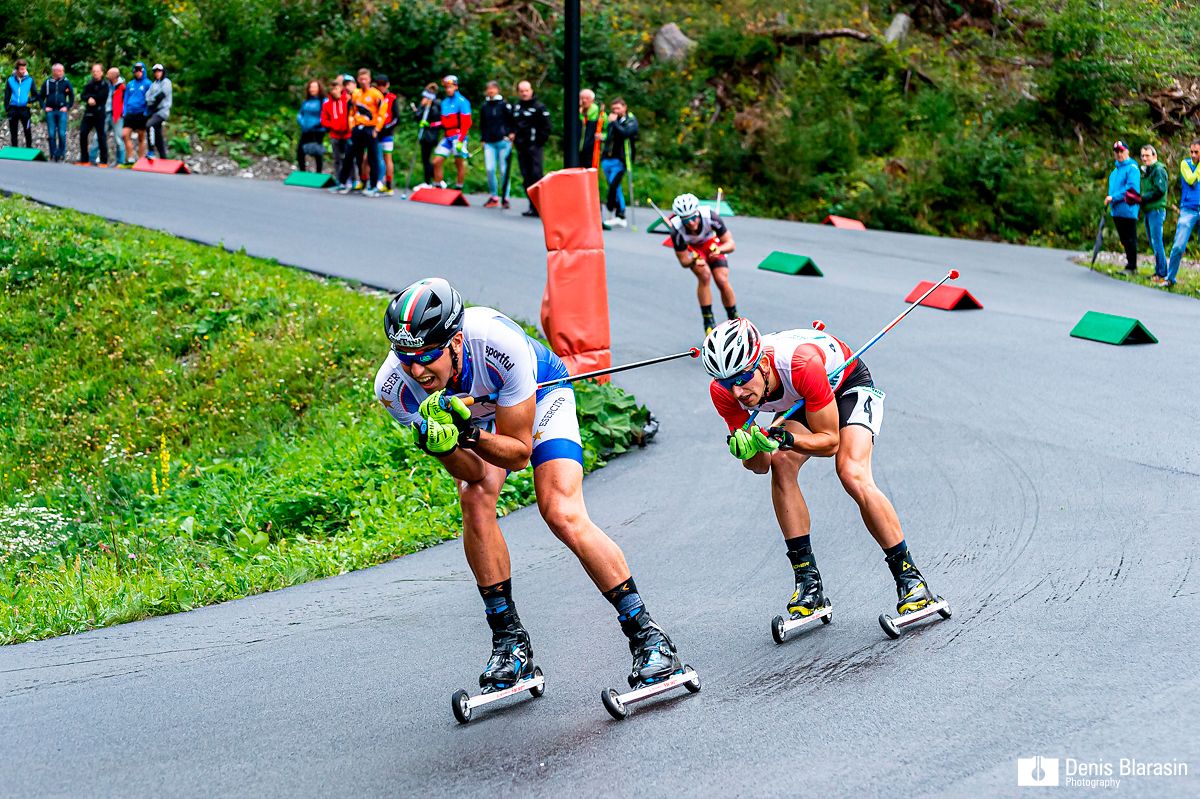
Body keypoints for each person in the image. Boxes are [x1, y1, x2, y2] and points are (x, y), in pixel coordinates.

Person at [375, 278, 688, 694]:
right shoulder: (394, 388)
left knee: (561, 510)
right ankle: (510, 645)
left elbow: (519, 454)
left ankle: (647, 636)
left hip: (539, 397)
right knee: (473, 497)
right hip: (478, 420)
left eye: (428, 356)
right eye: (405, 357)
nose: (416, 370)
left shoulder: (498, 343)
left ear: (456, 340)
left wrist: (467, 434)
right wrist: (439, 444)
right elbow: (471, 472)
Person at [702, 318, 941, 624]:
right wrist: (749, 452)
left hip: (844, 385)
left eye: (743, 376)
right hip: (802, 398)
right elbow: (760, 467)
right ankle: (808, 583)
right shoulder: (723, 392)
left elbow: (829, 442)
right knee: (781, 465)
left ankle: (910, 579)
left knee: (851, 472)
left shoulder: (800, 363)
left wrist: (787, 439)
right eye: (726, 382)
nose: (737, 391)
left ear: (761, 364)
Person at [667, 193, 738, 335]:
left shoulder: (711, 217)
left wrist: (719, 249)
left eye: (693, 217)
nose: (691, 223)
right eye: (686, 220)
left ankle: (734, 319)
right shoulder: (676, 229)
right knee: (704, 276)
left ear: (698, 213)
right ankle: (708, 321)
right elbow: (683, 261)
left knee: (721, 280)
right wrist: (694, 259)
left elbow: (731, 244)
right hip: (695, 251)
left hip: (713, 246)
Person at [510, 80, 550, 218]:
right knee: (526, 177)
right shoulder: (516, 107)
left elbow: (546, 127)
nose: (524, 93)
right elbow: (513, 125)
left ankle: (542, 206)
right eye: (521, 91)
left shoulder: (539, 107)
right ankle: (532, 206)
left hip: (535, 147)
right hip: (521, 147)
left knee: (536, 175)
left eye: (526, 90)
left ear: (531, 91)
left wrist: (538, 142)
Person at [1165, 140, 1200, 290]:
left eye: (1196, 152)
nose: (1193, 155)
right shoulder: (1185, 164)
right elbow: (1191, 179)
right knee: (1179, 246)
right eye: (1191, 151)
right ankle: (1170, 278)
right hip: (1188, 209)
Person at [599, 98, 638, 228]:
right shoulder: (612, 121)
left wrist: (614, 123)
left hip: (621, 159)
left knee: (614, 185)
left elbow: (625, 133)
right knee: (613, 186)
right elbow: (610, 136)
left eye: (618, 108)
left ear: (624, 108)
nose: (616, 111)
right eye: (614, 108)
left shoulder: (630, 121)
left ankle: (620, 214)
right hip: (607, 158)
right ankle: (615, 212)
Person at [1104, 141, 1140, 274]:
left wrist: (1113, 197)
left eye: (1121, 151)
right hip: (1117, 210)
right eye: (1116, 151)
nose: (1119, 154)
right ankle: (1129, 264)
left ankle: (1132, 267)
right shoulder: (1115, 171)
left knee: (1130, 238)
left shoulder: (1132, 168)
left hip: (1128, 209)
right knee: (1124, 239)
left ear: (1127, 152)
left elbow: (1131, 189)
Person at [349, 68, 385, 196]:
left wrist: (377, 129)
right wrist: (352, 126)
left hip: (371, 128)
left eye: (366, 79)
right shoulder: (356, 94)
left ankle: (374, 185)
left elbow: (382, 113)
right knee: (358, 156)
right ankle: (363, 181)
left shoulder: (376, 94)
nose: (363, 81)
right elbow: (352, 111)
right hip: (358, 128)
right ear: (358, 80)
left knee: (372, 157)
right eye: (361, 79)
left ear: (370, 80)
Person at [432, 75, 471, 190]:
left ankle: (459, 187)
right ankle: (438, 186)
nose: (448, 89)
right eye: (446, 87)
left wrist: (461, 140)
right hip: (447, 136)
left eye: (450, 87)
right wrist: (430, 125)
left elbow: (466, 123)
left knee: (458, 162)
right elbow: (444, 122)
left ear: (456, 87)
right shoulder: (444, 103)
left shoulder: (462, 102)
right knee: (436, 161)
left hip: (458, 136)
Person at [480, 81, 513, 208]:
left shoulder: (504, 105)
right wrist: (483, 139)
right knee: (490, 169)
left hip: (503, 142)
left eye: (493, 88)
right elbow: (483, 124)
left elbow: (511, 120)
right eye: (488, 89)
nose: (491, 91)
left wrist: (511, 133)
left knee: (504, 170)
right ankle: (494, 196)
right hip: (489, 142)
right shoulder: (485, 106)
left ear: (497, 90)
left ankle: (505, 197)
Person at [1139, 145, 1169, 285]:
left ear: (1154, 156)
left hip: (1157, 210)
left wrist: (1142, 198)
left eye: (1147, 156)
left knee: (1157, 242)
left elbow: (1160, 190)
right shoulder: (1147, 171)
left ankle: (1162, 273)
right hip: (1148, 210)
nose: (1145, 158)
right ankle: (1158, 271)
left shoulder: (1158, 170)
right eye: (1143, 156)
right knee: (1153, 242)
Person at [321, 77, 352, 191]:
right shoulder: (327, 104)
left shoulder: (347, 100)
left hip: (347, 134)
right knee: (337, 158)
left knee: (348, 158)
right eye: (332, 89)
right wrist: (333, 126)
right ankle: (340, 180)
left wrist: (347, 127)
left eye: (336, 88)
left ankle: (352, 180)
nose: (334, 91)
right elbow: (324, 120)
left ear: (341, 88)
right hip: (335, 134)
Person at [90, 67, 125, 166]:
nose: (106, 76)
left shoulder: (122, 87)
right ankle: (91, 159)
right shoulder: (105, 84)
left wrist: (123, 113)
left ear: (114, 76)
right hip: (105, 114)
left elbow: (125, 101)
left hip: (117, 115)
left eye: (109, 74)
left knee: (118, 139)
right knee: (98, 136)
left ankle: (120, 162)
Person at [39, 63, 74, 162]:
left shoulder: (66, 82)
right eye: (59, 71)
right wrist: (44, 107)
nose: (61, 73)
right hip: (50, 111)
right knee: (51, 134)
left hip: (61, 111)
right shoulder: (47, 82)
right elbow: (40, 96)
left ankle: (61, 153)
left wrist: (67, 107)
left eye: (62, 71)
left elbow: (71, 96)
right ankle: (53, 154)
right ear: (54, 72)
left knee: (62, 133)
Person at [78, 63, 109, 166]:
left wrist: (92, 97)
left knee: (101, 136)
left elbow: (101, 96)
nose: (95, 73)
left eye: (97, 71)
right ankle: (84, 159)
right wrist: (88, 98)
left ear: (102, 73)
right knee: (83, 133)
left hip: (99, 113)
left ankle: (104, 160)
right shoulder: (89, 84)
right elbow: (83, 95)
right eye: (94, 71)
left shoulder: (105, 85)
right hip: (89, 113)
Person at [121, 62, 152, 165]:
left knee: (141, 137)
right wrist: (124, 111)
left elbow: (150, 99)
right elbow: (126, 98)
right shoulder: (130, 84)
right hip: (130, 112)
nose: (137, 72)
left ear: (143, 71)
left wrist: (147, 111)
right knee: (125, 134)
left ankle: (141, 159)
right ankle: (130, 157)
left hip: (141, 113)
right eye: (136, 70)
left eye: (140, 70)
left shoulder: (148, 83)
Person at [413, 82, 442, 189]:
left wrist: (424, 107)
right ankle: (432, 179)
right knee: (426, 159)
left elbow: (440, 120)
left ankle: (431, 180)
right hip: (425, 135)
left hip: (431, 135)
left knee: (427, 159)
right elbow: (418, 117)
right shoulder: (425, 104)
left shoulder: (437, 104)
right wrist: (422, 106)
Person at [4, 58, 35, 149]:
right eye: (21, 69)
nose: (23, 71)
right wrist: (7, 109)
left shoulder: (30, 80)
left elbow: (35, 95)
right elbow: (7, 96)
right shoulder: (10, 80)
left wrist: (29, 102)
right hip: (13, 109)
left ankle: (29, 148)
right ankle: (14, 149)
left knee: (27, 130)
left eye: (25, 69)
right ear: (17, 69)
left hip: (25, 109)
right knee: (13, 131)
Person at [296, 79, 325, 172]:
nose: (312, 89)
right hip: (306, 129)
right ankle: (302, 171)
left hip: (318, 130)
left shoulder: (323, 101)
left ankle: (318, 172)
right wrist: (301, 121)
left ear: (319, 88)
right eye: (310, 87)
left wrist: (316, 124)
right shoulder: (306, 101)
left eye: (314, 87)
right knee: (300, 150)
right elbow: (300, 113)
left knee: (317, 151)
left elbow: (325, 115)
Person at [375, 74, 397, 195]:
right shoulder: (375, 96)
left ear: (387, 85)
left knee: (387, 158)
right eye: (379, 84)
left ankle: (388, 185)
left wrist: (386, 128)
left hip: (387, 132)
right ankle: (371, 181)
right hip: (375, 131)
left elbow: (396, 118)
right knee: (370, 158)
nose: (381, 87)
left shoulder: (392, 98)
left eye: (383, 84)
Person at [144, 64, 172, 159]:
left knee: (150, 125)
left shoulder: (166, 82)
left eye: (159, 71)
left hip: (162, 111)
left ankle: (151, 151)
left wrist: (153, 101)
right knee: (157, 134)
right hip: (155, 111)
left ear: (163, 72)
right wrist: (152, 101)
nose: (157, 73)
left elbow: (161, 96)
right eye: (155, 72)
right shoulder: (154, 84)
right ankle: (163, 156)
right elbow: (147, 97)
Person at [578, 88, 601, 169]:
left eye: (587, 98)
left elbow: (607, 130)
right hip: (577, 150)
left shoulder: (598, 113)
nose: (584, 100)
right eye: (582, 98)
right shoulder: (576, 111)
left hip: (591, 150)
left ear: (592, 100)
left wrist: (603, 136)